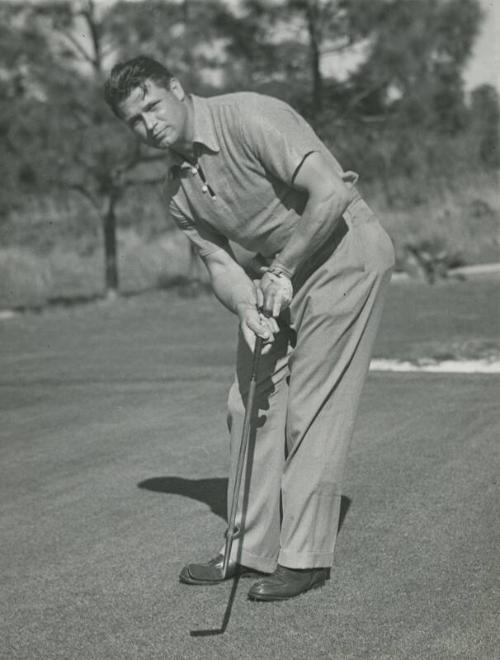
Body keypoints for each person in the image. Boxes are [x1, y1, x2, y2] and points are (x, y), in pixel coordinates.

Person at [104, 55, 395, 602]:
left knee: (311, 405)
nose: (149, 125)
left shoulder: (252, 117)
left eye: (152, 106)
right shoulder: (177, 189)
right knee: (248, 402)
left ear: (177, 87)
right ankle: (248, 546)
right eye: (134, 121)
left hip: (344, 252)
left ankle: (304, 557)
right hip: (275, 276)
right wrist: (246, 307)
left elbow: (330, 193)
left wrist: (282, 270)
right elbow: (220, 266)